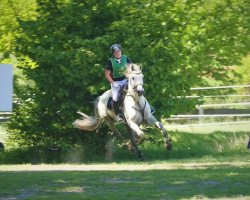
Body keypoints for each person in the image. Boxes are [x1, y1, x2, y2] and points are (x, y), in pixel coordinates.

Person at [105, 44, 131, 122]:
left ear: (121, 51)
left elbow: (130, 67)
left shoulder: (126, 58)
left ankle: (148, 108)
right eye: (115, 52)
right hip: (115, 82)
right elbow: (107, 74)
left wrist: (129, 75)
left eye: (119, 51)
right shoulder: (110, 62)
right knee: (115, 97)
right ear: (113, 53)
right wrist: (112, 82)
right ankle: (118, 114)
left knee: (137, 88)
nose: (117, 53)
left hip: (125, 79)